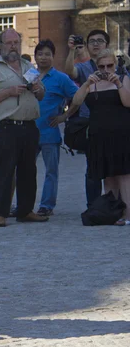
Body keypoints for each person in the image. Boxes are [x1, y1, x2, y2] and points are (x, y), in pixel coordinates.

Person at [0, 28, 47, 227]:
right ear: (0, 46)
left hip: (29, 125)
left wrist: (38, 89)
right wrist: (8, 92)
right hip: (7, 126)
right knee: (5, 171)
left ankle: (25, 210)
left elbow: (42, 95)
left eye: (16, 42)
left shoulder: (28, 66)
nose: (13, 46)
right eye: (9, 43)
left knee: (28, 171)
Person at [64, 30, 126, 207]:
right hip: (91, 123)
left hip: (117, 125)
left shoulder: (119, 68)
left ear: (107, 45)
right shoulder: (85, 67)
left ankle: (119, 205)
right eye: (92, 41)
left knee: (118, 167)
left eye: (100, 41)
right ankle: (95, 206)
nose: (96, 44)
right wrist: (71, 51)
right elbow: (69, 71)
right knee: (93, 167)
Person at [32, 40, 79, 217]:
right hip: (28, 132)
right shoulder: (29, 75)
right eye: (40, 54)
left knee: (51, 171)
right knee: (25, 171)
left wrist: (64, 116)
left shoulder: (61, 78)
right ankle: (25, 204)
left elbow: (77, 97)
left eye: (47, 54)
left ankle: (46, 205)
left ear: (53, 57)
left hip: (49, 132)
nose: (43, 57)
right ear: (35, 56)